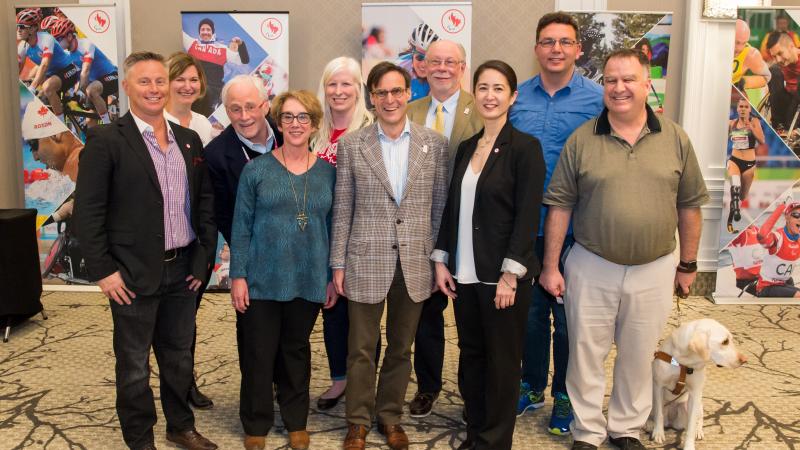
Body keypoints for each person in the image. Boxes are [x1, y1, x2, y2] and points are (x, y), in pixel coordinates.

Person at [540, 49, 709, 450]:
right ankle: (587, 432)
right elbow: (560, 205)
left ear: (646, 83)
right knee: (585, 354)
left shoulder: (675, 137)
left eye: (628, 79)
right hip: (591, 263)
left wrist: (688, 263)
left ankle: (626, 429)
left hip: (654, 267)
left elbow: (690, 205)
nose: (619, 88)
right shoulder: (582, 139)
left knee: (636, 355)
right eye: (611, 80)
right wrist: (550, 266)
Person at [72, 51, 218, 450]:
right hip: (130, 274)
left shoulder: (188, 141)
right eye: (144, 82)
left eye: (159, 81)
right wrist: (103, 271)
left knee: (178, 357)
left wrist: (204, 258)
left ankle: (180, 425)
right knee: (134, 365)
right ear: (127, 87)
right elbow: (88, 212)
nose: (154, 89)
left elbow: (204, 203)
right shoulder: (106, 140)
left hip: (184, 270)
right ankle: (140, 439)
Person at [330, 61, 448, 450]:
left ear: (408, 94)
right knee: (361, 349)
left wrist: (437, 261)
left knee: (401, 347)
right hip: (365, 259)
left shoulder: (435, 144)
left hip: (415, 262)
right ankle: (358, 422)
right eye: (382, 92)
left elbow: (438, 209)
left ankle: (390, 416)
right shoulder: (352, 145)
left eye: (398, 91)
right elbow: (343, 207)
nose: (390, 99)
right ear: (372, 97)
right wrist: (338, 264)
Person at [432, 59, 545, 450]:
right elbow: (452, 209)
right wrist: (441, 260)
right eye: (483, 87)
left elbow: (528, 214)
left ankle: (495, 442)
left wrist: (510, 275)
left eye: (498, 88)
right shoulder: (466, 146)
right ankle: (476, 433)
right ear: (473, 94)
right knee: (472, 357)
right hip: (465, 272)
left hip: (502, 279)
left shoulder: (525, 149)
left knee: (502, 364)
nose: (490, 95)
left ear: (513, 96)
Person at [509, 11, 604, 435]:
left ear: (578, 49)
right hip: (525, 225)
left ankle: (567, 394)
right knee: (529, 315)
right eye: (548, 42)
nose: (556, 49)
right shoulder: (516, 98)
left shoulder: (598, 99)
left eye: (565, 42)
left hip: (577, 228)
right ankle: (531, 385)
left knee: (569, 317)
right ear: (536, 49)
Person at [230, 90, 335, 450]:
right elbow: (240, 227)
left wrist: (332, 276)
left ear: (314, 124)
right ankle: (256, 422)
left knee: (296, 351)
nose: (295, 124)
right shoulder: (256, 170)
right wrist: (238, 277)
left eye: (303, 117)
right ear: (277, 121)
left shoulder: (327, 173)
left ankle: (295, 420)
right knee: (259, 353)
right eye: (288, 117)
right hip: (261, 279)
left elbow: (333, 228)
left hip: (308, 279)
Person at [405, 38, 483, 419]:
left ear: (462, 67)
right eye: (434, 61)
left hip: (471, 230)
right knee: (426, 315)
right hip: (423, 230)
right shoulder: (409, 111)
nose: (441, 68)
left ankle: (472, 393)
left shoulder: (482, 110)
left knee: (470, 318)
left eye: (450, 62)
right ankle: (428, 386)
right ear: (422, 66)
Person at [311, 56, 376, 411]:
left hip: (362, 239)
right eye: (332, 84)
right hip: (321, 238)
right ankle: (339, 380)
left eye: (346, 84)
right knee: (331, 310)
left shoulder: (372, 129)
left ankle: (365, 383)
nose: (339, 91)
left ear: (358, 89)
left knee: (363, 316)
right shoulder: (313, 132)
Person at [164, 51, 217, 410]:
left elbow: (207, 189)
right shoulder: (155, 122)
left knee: (187, 320)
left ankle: (186, 382)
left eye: (193, 79)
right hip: (162, 242)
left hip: (195, 241)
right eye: (179, 78)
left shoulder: (203, 125)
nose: (187, 85)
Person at [204, 74, 282, 247]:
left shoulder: (288, 135)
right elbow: (225, 218)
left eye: (251, 106)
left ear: (265, 106)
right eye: (236, 109)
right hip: (255, 254)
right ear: (226, 112)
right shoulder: (214, 156)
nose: (244, 116)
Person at [16, 8, 80, 121]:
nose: (18, 30)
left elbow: (44, 65)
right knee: (36, 92)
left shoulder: (46, 39)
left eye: (22, 26)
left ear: (33, 28)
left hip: (69, 69)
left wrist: (32, 87)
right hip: (52, 75)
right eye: (17, 26)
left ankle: (61, 126)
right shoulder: (22, 46)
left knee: (47, 87)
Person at [51, 18, 118, 124]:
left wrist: (81, 91)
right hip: (96, 83)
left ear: (69, 36)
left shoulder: (86, 44)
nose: (57, 43)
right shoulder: (69, 55)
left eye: (59, 39)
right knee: (90, 122)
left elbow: (85, 71)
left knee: (91, 90)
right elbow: (79, 77)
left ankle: (108, 125)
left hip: (113, 75)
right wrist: (75, 92)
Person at [184, 17, 249, 116]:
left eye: (208, 29)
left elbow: (244, 61)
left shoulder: (222, 49)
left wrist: (241, 44)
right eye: (202, 29)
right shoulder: (192, 44)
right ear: (199, 32)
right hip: (197, 89)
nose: (205, 32)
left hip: (214, 90)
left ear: (213, 32)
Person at [726, 97, 765, 234]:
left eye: (745, 107)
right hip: (734, 160)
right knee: (735, 190)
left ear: (749, 109)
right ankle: (733, 216)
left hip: (749, 165)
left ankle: (732, 217)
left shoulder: (755, 122)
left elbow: (762, 141)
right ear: (737, 109)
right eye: (740, 107)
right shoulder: (731, 123)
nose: (742, 109)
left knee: (742, 197)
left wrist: (752, 129)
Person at [165, 52, 215, 146]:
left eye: (193, 80)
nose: (188, 87)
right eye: (180, 80)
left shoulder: (203, 123)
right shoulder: (153, 124)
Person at [755, 200, 800, 298]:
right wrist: (781, 207)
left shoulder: (798, 240)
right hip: (766, 288)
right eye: (796, 215)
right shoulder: (778, 237)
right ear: (787, 217)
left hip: (783, 284)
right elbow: (762, 235)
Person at [766, 32, 800, 134]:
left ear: (791, 46)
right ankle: (778, 125)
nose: (778, 59)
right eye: (774, 56)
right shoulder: (779, 64)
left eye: (780, 53)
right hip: (789, 105)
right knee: (773, 70)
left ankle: (793, 127)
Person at [397, 23, 439, 101]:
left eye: (431, 60)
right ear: (412, 52)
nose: (423, 64)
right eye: (419, 57)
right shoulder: (399, 67)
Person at [732, 19, 771, 90]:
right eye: (737, 42)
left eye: (744, 43)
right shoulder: (711, 46)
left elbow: (767, 77)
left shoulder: (751, 55)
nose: (739, 48)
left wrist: (744, 82)